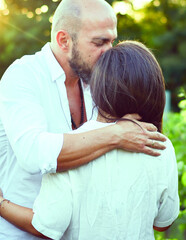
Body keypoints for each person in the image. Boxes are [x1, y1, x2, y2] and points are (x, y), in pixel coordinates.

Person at [0, 0, 166, 239]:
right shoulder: (23, 76)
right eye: (100, 42)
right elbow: (34, 154)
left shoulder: (98, 80)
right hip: (21, 233)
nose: (109, 51)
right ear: (63, 40)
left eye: (112, 41)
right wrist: (116, 134)